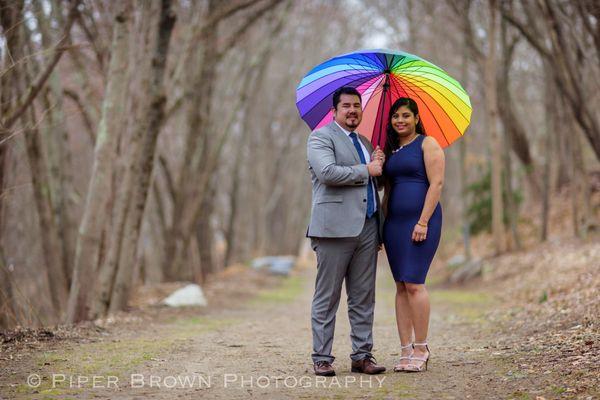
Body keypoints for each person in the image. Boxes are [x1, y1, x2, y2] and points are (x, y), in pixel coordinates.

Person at [306, 86, 386, 376]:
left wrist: (379, 164)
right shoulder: (320, 138)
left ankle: (362, 356)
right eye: (346, 106)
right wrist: (368, 169)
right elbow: (328, 173)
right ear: (334, 110)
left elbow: (371, 186)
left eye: (357, 106)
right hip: (333, 230)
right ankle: (322, 357)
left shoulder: (366, 142)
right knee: (327, 297)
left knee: (364, 296)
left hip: (367, 227)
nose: (353, 110)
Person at [382, 97, 445, 373]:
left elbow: (437, 183)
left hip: (421, 222)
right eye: (395, 116)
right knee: (400, 286)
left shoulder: (427, 144)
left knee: (415, 283)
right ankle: (405, 349)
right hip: (394, 224)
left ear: (416, 118)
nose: (400, 120)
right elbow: (386, 188)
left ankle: (422, 347)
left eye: (406, 115)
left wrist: (422, 221)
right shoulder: (392, 151)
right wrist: (378, 161)